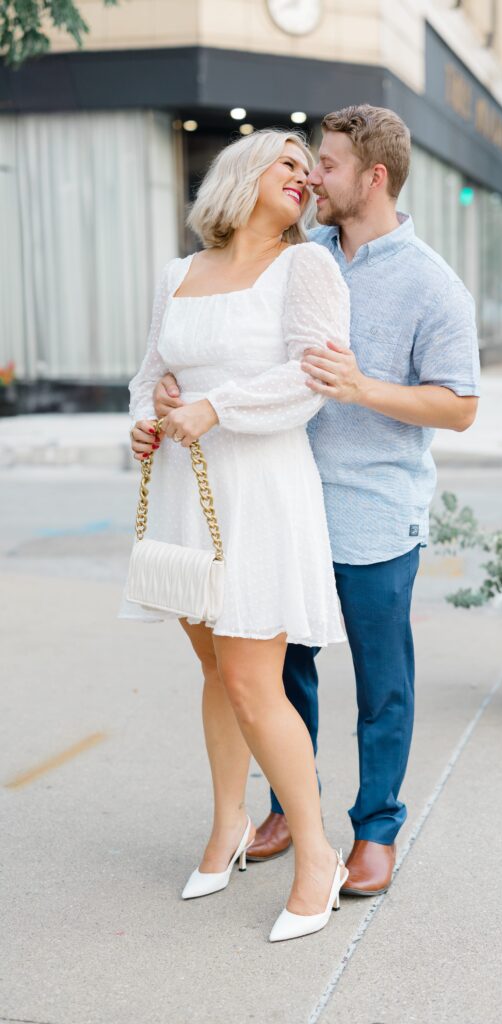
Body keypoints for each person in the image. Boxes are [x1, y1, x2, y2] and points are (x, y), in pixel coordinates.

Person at [152, 105, 481, 900]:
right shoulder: (299, 253)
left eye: (325, 165)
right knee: (276, 675)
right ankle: (287, 814)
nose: (311, 178)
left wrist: (363, 387)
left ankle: (374, 830)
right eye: (303, 166)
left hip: (370, 507)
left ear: (372, 176)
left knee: (379, 683)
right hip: (275, 504)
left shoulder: (431, 283)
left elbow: (460, 406)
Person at [121, 129, 352, 943]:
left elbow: (313, 374)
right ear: (242, 174)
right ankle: (227, 829)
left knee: (256, 681)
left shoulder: (306, 266)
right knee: (216, 669)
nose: (302, 177)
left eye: (308, 169)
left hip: (261, 487)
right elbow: (150, 375)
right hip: (189, 487)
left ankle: (316, 853)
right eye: (286, 162)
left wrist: (215, 407)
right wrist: (147, 422)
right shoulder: (177, 274)